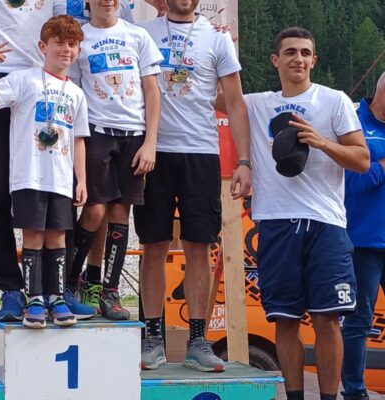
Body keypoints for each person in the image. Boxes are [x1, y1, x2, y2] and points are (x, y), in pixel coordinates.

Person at [241, 27, 369, 400]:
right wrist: (216, 37)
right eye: (290, 52)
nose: (298, 59)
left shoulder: (334, 100)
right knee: (284, 319)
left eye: (305, 53)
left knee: (328, 319)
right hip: (276, 221)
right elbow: (212, 92)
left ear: (314, 60)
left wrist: (321, 142)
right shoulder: (256, 104)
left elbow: (362, 160)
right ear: (275, 60)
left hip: (325, 224)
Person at [135, 0, 251, 371]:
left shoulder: (217, 38)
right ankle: (152, 338)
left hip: (200, 152)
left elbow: (235, 103)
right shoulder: (144, 33)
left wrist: (244, 161)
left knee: (199, 247)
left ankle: (198, 340)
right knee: (153, 245)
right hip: (154, 150)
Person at [0, 0, 95, 321]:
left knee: (58, 189)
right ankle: (12, 288)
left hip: (46, 75)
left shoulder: (69, 78)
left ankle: (57, 289)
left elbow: (80, 14)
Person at [68, 0, 163, 321]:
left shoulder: (137, 36)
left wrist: (150, 142)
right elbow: (74, 92)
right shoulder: (80, 39)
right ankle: (71, 279)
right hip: (96, 132)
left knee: (121, 211)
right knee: (95, 209)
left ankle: (109, 290)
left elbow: (152, 92)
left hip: (134, 135)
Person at [341, 72, 385, 400]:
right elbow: (353, 182)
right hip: (363, 243)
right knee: (359, 322)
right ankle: (355, 393)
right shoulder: (353, 121)